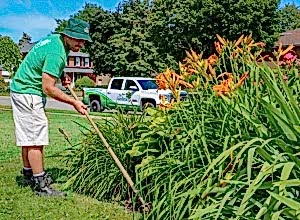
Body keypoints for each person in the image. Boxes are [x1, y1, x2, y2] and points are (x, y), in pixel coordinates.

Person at [10, 18, 92, 196]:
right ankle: (41, 184)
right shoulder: (57, 53)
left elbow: (45, 63)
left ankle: (28, 174)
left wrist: (61, 74)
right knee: (35, 139)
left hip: (20, 89)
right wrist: (74, 102)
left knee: (28, 137)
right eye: (78, 39)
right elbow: (48, 88)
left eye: (84, 40)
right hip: (28, 93)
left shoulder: (54, 40)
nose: (81, 44)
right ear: (68, 35)